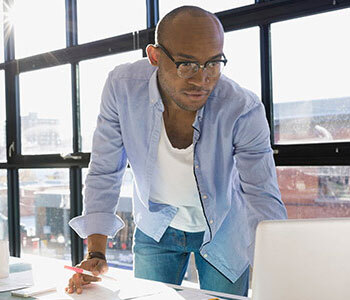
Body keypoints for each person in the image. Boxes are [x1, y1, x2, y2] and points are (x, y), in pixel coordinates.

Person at [65, 5, 287, 297]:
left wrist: (281, 271)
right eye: (187, 65)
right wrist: (97, 252)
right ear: (155, 57)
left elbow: (260, 194)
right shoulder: (122, 88)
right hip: (156, 226)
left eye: (213, 64)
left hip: (223, 230)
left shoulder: (243, 108)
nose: (201, 79)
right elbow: (106, 170)